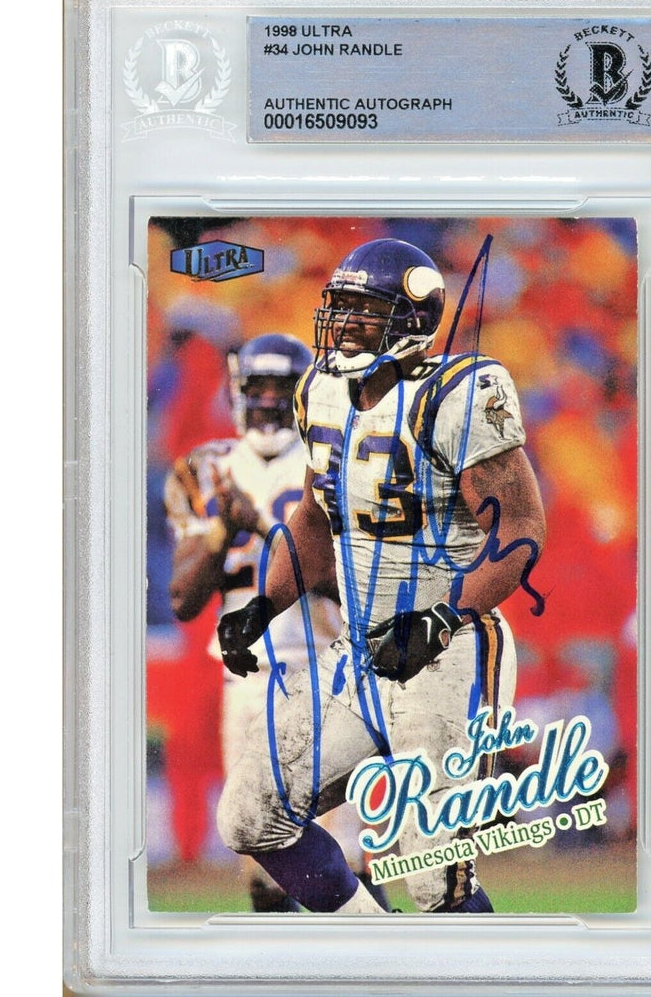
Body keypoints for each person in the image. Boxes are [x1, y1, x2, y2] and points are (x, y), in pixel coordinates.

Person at [215, 239, 547, 914]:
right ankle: (367, 941)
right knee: (250, 815)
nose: (343, 324)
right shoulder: (321, 392)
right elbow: (316, 516)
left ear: (413, 318)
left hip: (450, 653)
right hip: (360, 654)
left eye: (364, 310)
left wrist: (441, 618)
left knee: (434, 875)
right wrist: (265, 604)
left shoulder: (458, 393)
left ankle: (477, 967)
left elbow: (520, 528)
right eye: (339, 307)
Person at [165, 331, 373, 911]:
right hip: (248, 681)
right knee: (261, 859)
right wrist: (222, 530)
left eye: (282, 388)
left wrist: (261, 526)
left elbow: (349, 586)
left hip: (328, 675)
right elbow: (183, 598)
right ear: (238, 391)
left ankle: (373, 950)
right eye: (257, 388)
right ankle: (278, 958)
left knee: (344, 849)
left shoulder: (333, 462)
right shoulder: (205, 470)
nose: (268, 402)